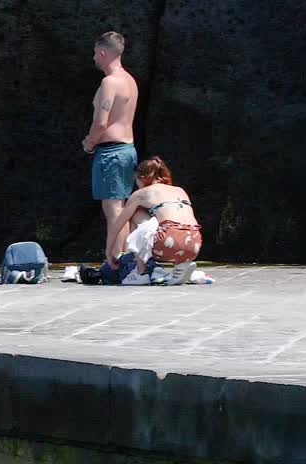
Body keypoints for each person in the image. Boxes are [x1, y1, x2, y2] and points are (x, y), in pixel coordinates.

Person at [81, 31, 139, 267]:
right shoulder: (130, 81)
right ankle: (124, 259)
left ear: (104, 53)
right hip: (128, 150)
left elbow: (101, 122)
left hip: (111, 153)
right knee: (121, 209)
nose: (94, 57)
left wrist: (89, 143)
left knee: (113, 209)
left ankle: (117, 263)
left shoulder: (109, 82)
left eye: (95, 53)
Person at [105, 156, 202, 285]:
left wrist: (109, 252)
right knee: (166, 221)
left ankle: (141, 271)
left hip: (168, 242)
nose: (137, 185)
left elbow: (117, 225)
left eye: (136, 181)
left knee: (136, 213)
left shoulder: (141, 194)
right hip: (194, 244)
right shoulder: (180, 190)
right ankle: (181, 265)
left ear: (142, 178)